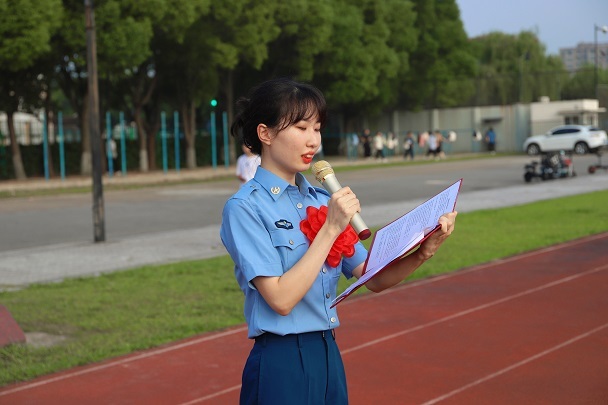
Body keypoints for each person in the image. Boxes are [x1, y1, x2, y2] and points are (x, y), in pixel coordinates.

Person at [219, 77, 457, 405]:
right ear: (266, 133)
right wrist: (330, 228)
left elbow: (371, 277)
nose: (313, 140)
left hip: (328, 353)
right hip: (281, 361)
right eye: (301, 128)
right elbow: (281, 299)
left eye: (317, 128)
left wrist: (422, 252)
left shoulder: (321, 200)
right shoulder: (245, 208)